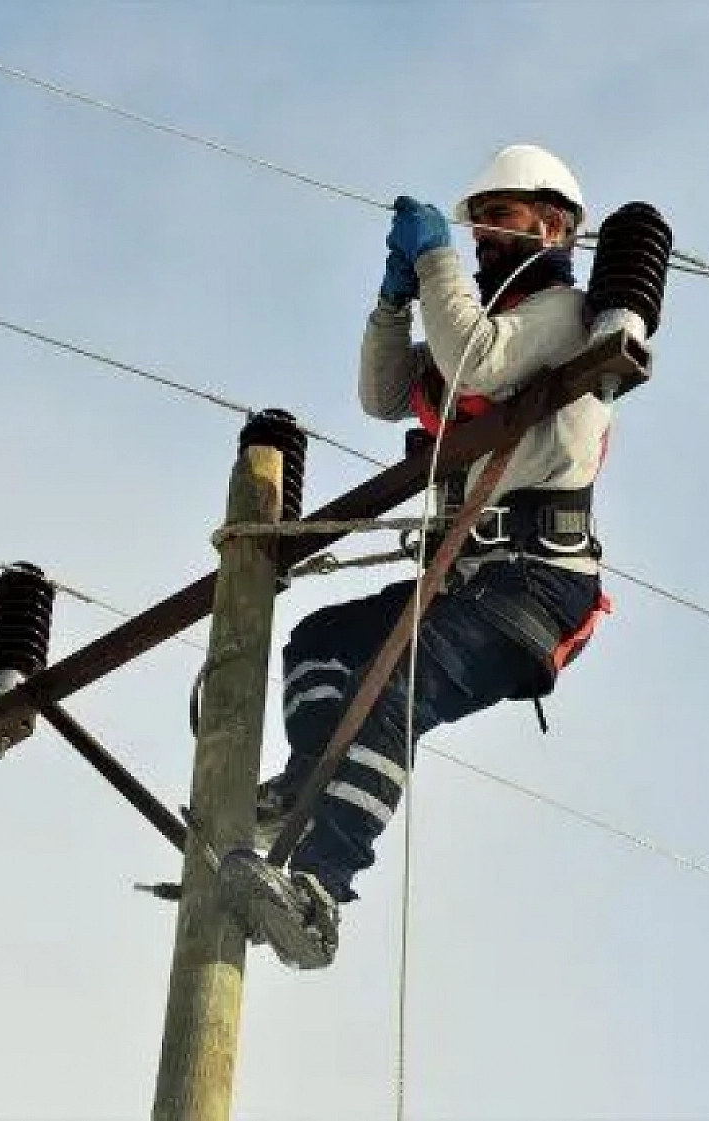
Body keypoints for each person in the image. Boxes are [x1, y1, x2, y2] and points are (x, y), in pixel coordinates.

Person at [240, 145, 616, 969]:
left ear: (552, 227)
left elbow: (477, 359)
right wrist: (392, 300)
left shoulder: (564, 315)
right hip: (472, 577)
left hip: (536, 584)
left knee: (397, 687)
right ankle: (312, 777)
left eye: (500, 218)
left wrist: (436, 258)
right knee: (324, 643)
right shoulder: (477, 335)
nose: (482, 235)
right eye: (476, 220)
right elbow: (383, 394)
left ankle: (323, 891)